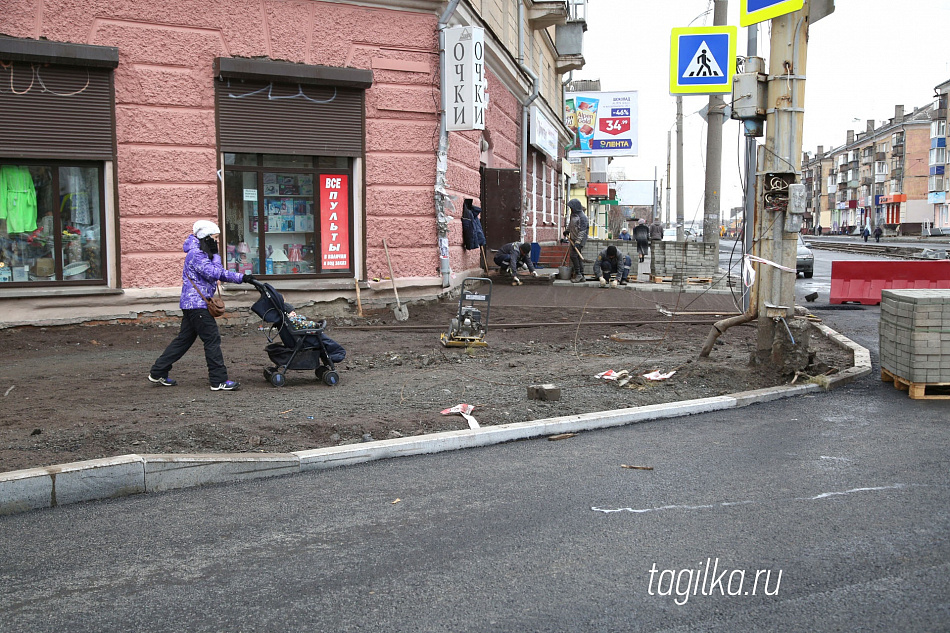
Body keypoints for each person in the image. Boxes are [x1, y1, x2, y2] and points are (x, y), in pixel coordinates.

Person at [149, 220, 252, 390]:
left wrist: (215, 256)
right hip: (197, 305)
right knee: (212, 339)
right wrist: (242, 277)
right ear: (206, 237)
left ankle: (158, 371)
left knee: (183, 341)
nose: (216, 241)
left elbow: (213, 271)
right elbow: (213, 273)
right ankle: (218, 380)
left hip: (192, 304)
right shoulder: (196, 254)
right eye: (215, 237)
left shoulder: (201, 253)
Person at [566, 198, 589, 283]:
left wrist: (578, 242)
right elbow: (571, 224)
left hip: (580, 240)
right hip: (574, 238)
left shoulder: (582, 217)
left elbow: (582, 231)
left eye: (571, 207)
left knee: (574, 256)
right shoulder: (573, 215)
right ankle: (581, 275)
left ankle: (579, 274)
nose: (570, 209)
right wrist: (567, 230)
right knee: (577, 257)